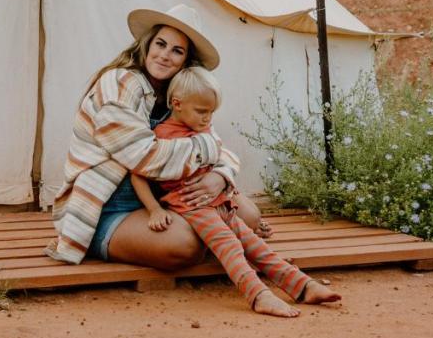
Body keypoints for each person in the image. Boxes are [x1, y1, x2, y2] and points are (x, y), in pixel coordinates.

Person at [47, 4, 272, 268]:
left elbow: (217, 145)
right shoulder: (119, 83)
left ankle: (205, 234)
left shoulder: (178, 95)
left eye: (177, 51)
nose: (165, 55)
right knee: (185, 246)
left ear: (186, 61)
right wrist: (208, 148)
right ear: (147, 45)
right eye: (160, 44)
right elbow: (145, 157)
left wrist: (219, 176)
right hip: (107, 207)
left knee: (250, 216)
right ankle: (97, 241)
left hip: (163, 198)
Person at [131, 66, 341, 317]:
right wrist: (153, 209)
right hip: (191, 204)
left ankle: (302, 286)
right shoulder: (163, 137)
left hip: (219, 202)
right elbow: (138, 173)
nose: (207, 118)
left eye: (211, 112)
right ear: (177, 103)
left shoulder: (200, 131)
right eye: (201, 111)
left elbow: (219, 158)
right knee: (229, 244)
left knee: (255, 245)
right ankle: (258, 295)